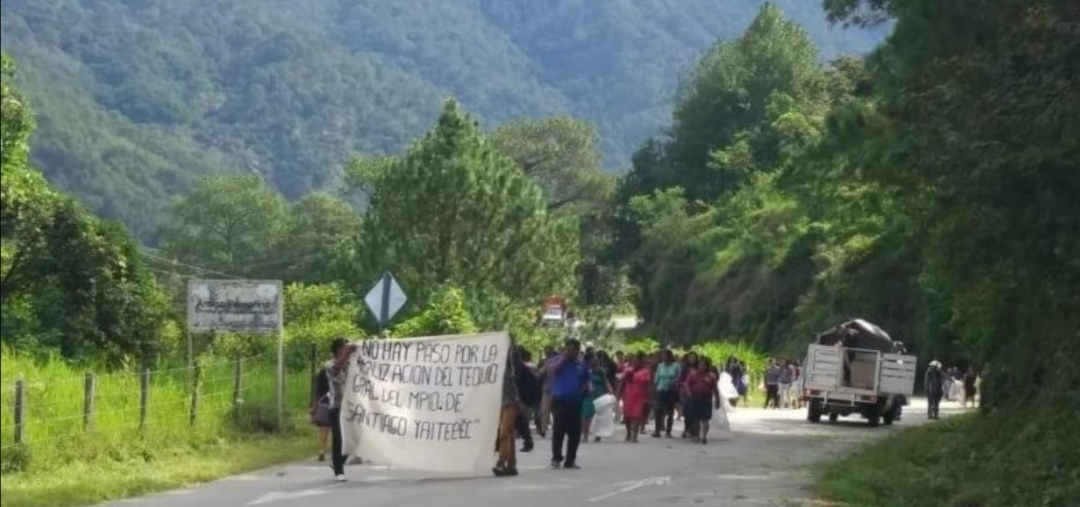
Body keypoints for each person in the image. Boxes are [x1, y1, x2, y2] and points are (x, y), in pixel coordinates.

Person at [548, 338, 591, 469]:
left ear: (578, 350)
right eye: (568, 349)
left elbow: (585, 380)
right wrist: (564, 359)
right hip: (560, 400)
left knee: (575, 432)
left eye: (573, 349)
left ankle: (570, 460)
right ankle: (556, 457)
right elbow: (552, 371)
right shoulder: (557, 360)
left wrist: (581, 391)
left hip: (575, 402)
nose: (570, 352)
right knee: (558, 430)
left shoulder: (581, 364)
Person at [326, 337, 356, 482]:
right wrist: (347, 354)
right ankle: (339, 469)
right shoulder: (330, 364)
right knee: (339, 437)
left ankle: (338, 461)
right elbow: (335, 369)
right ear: (339, 349)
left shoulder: (352, 364)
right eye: (345, 347)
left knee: (355, 436)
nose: (348, 349)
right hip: (337, 407)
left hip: (351, 406)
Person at [494, 343, 524, 477]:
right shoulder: (496, 368)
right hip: (501, 403)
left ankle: (502, 461)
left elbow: (516, 357)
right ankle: (511, 464)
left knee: (504, 432)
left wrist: (510, 343)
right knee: (509, 433)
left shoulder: (512, 367)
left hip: (511, 403)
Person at [618, 351, 653, 443]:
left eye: (637, 360)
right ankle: (629, 433)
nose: (635, 362)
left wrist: (650, 397)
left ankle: (634, 436)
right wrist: (617, 395)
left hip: (640, 395)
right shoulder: (627, 370)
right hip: (628, 395)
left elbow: (648, 385)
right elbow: (622, 383)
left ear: (641, 362)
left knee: (636, 415)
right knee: (627, 416)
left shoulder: (646, 371)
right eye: (634, 360)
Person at [686, 358, 721, 444]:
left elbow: (715, 389)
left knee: (705, 419)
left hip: (706, 399)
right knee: (696, 419)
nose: (701, 366)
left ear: (707, 366)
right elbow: (687, 385)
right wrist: (689, 393)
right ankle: (697, 435)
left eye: (704, 365)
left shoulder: (711, 376)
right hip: (695, 398)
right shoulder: (693, 374)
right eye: (700, 365)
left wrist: (717, 400)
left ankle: (704, 436)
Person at [581, 351, 614, 443]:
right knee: (586, 415)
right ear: (589, 360)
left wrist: (610, 390)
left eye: (596, 359)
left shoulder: (600, 371)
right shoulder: (584, 369)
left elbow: (605, 381)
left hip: (599, 394)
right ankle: (585, 435)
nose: (596, 360)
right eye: (593, 359)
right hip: (588, 395)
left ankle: (598, 434)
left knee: (599, 415)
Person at [652, 349, 680, 438]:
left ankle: (668, 431)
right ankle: (657, 430)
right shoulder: (660, 366)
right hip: (661, 389)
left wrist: (674, 382)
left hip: (671, 390)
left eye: (665, 356)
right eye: (663, 356)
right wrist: (654, 387)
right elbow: (657, 377)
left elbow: (679, 376)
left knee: (670, 411)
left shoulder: (676, 366)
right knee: (658, 410)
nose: (664, 357)